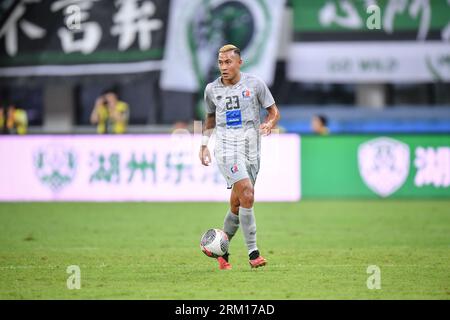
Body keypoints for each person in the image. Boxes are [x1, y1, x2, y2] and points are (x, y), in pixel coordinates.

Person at [199, 44, 281, 270]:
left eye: (228, 62)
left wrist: (269, 123)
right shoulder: (211, 90)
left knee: (238, 204)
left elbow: (274, 112)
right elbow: (209, 118)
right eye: (220, 62)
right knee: (248, 193)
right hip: (226, 149)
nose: (223, 67)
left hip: (252, 150)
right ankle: (254, 254)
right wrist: (204, 144)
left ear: (239, 63)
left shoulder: (255, 84)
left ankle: (220, 251)